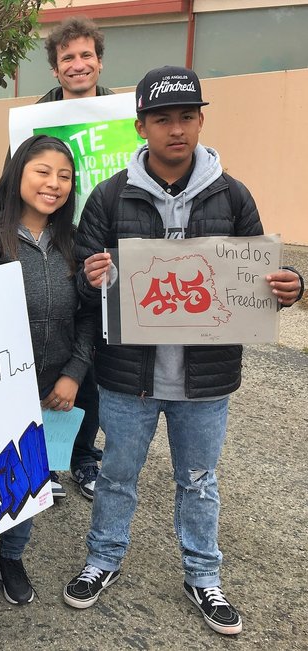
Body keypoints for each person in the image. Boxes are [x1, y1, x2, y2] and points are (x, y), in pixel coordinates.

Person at [63, 65, 305, 636]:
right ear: (141, 125)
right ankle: (103, 560)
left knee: (198, 479)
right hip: (127, 376)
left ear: (200, 122)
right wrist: (90, 276)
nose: (177, 129)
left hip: (205, 378)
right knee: (118, 474)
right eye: (163, 118)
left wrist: (289, 283)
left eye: (188, 117)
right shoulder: (109, 195)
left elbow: (257, 277)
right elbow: (82, 278)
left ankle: (203, 575)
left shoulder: (232, 194)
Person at [0, 135, 94, 606]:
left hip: (53, 387)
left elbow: (87, 318)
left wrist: (74, 372)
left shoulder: (72, 242)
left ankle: (10, 557)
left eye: (64, 176)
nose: (53, 184)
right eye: (42, 171)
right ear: (18, 174)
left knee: (34, 477)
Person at [16, 15, 112, 501]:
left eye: (85, 56)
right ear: (55, 69)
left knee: (93, 355)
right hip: (54, 239)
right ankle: (47, 456)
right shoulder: (36, 121)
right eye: (67, 58)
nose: (78, 65)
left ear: (99, 61)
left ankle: (86, 457)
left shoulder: (123, 117)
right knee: (50, 346)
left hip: (105, 244)